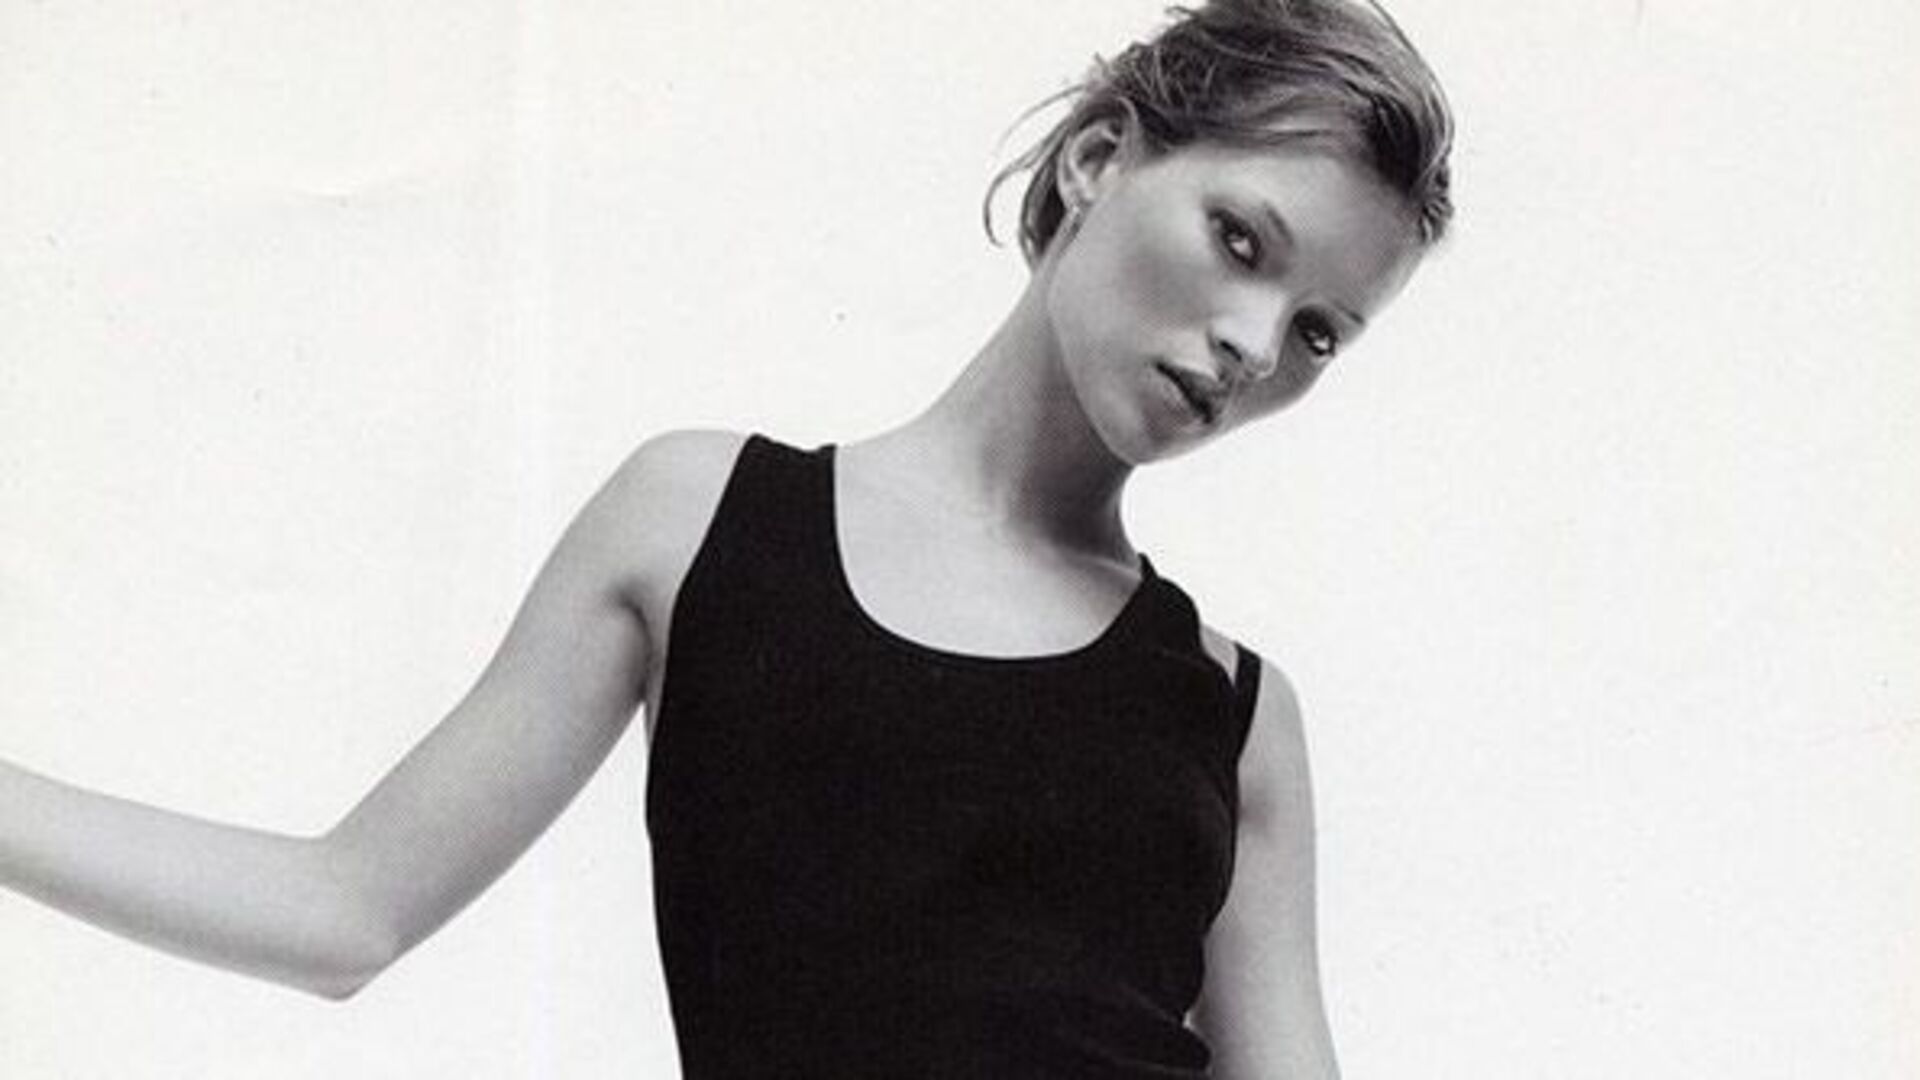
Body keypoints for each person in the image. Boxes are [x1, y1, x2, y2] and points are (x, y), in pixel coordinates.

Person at [0, 0, 1453, 1076]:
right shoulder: (701, 523)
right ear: (1096, 159)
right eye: (1242, 241)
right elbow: (343, 912)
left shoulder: (1236, 713)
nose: (1254, 344)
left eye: (1319, 331)